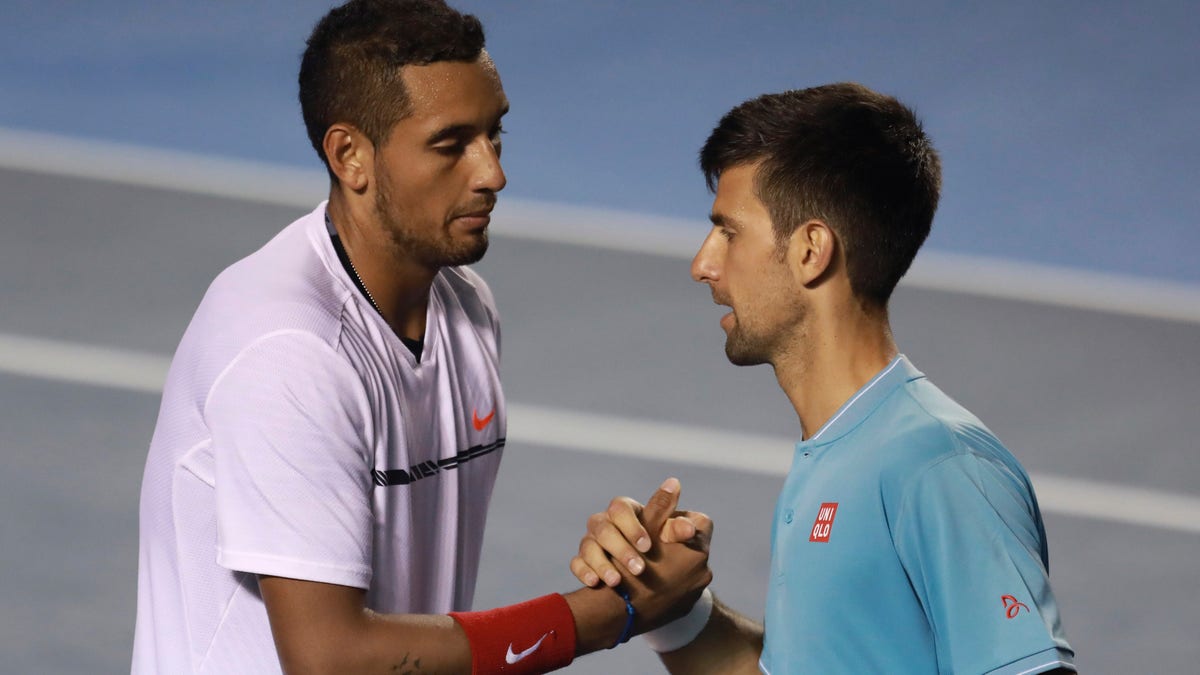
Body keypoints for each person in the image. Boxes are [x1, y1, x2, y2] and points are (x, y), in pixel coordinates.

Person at [131, 1, 709, 673]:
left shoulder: (465, 308)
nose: (492, 173)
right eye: (451, 144)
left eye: (495, 135)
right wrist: (617, 611)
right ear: (351, 156)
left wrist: (633, 566)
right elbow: (332, 659)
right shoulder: (286, 348)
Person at [572, 83, 1076, 674]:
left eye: (729, 232)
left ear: (812, 250)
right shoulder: (842, 455)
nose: (702, 264)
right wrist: (671, 607)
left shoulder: (936, 466)